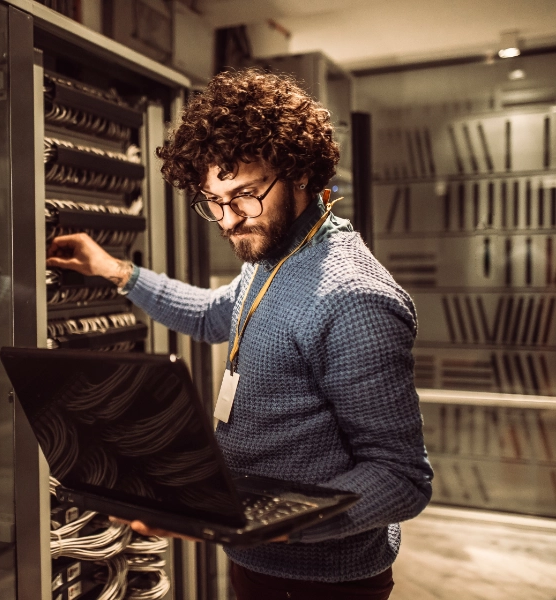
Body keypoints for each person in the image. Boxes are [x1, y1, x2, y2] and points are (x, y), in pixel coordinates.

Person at [46, 68, 433, 600]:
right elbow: (212, 314)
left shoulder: (353, 300)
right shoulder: (273, 256)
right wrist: (115, 270)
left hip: (323, 582)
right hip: (255, 558)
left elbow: (401, 479)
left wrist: (261, 523)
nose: (227, 220)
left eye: (244, 195)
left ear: (297, 171)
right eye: (213, 201)